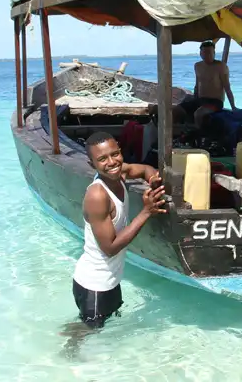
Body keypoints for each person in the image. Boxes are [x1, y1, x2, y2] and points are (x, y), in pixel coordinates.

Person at [61, 131, 166, 357]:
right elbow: (110, 247)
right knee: (87, 333)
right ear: (92, 163)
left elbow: (145, 169)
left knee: (101, 326)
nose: (112, 162)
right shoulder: (98, 196)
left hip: (110, 280)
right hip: (95, 284)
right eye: (102, 159)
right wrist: (146, 212)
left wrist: (154, 180)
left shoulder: (120, 173)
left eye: (115, 154)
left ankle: (71, 337)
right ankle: (65, 364)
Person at [178, 40, 236, 128]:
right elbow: (197, 84)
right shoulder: (197, 66)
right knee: (176, 110)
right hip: (200, 100)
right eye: (205, 52)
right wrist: (194, 97)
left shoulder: (221, 66)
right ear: (200, 53)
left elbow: (227, 88)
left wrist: (233, 107)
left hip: (215, 102)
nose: (207, 55)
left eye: (210, 52)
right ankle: (179, 133)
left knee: (198, 114)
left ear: (214, 53)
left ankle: (198, 137)